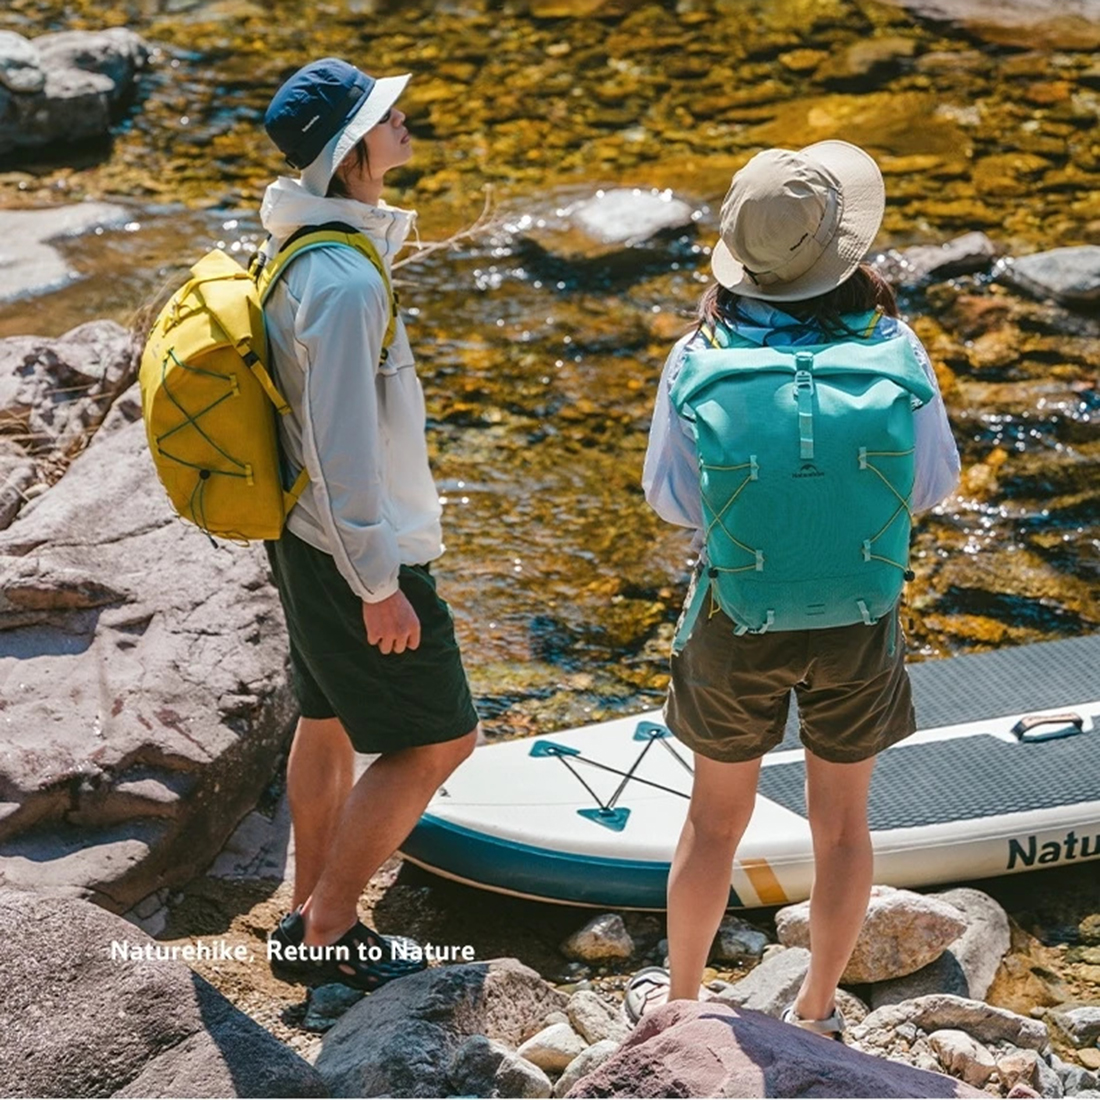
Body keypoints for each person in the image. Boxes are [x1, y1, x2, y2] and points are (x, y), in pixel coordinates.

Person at [631, 141, 960, 1036]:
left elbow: (671, 501)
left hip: (736, 611)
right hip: (861, 613)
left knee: (713, 823)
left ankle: (683, 1001)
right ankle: (816, 1010)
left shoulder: (698, 353)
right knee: (843, 828)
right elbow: (932, 485)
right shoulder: (895, 345)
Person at [258, 58, 480, 989]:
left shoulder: (302, 247)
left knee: (326, 717)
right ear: (350, 151)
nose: (404, 123)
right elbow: (341, 444)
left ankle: (306, 908)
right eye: (387, 117)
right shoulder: (344, 282)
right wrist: (381, 585)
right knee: (440, 739)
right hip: (351, 549)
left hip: (303, 535)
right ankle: (332, 929)